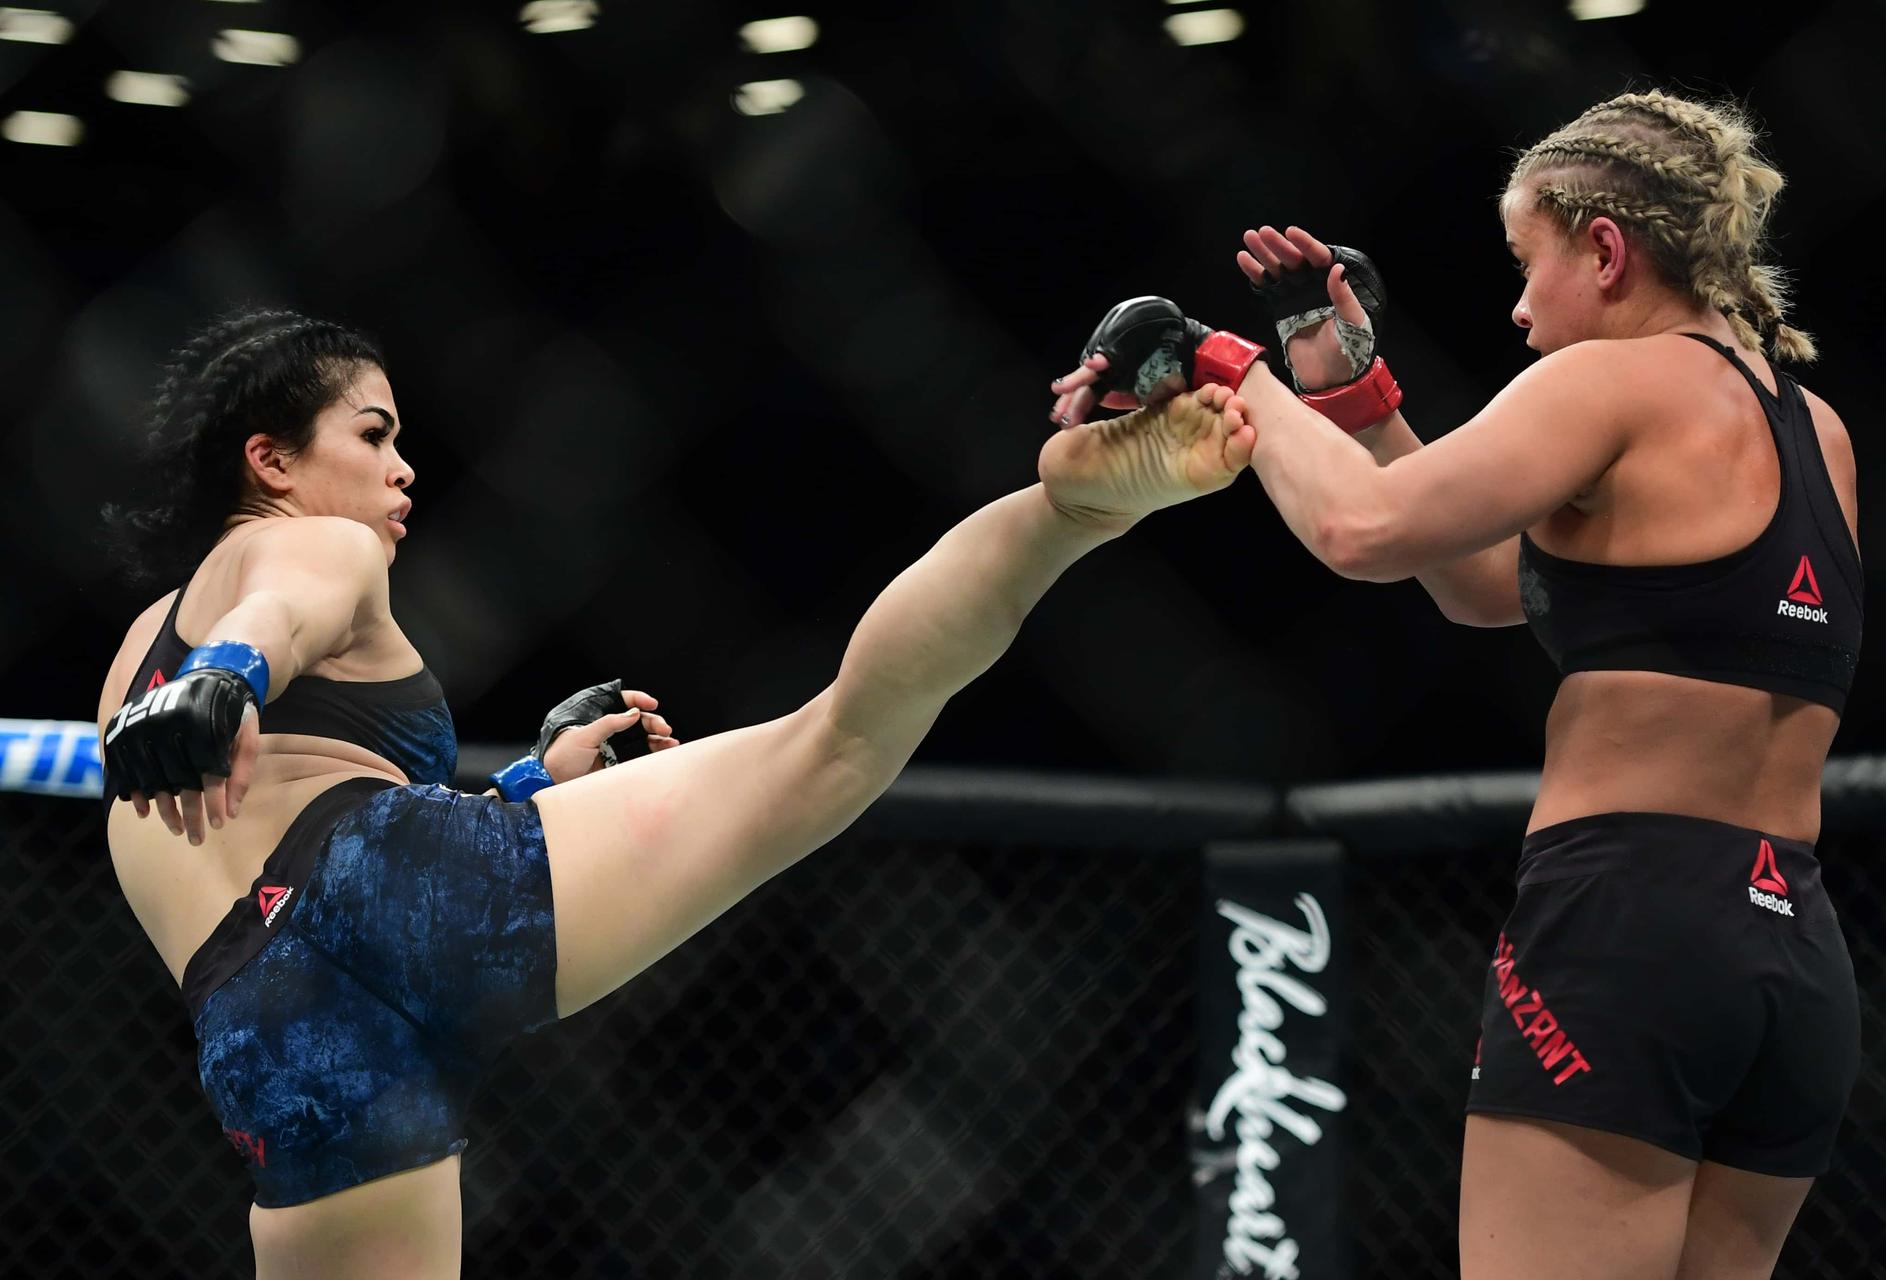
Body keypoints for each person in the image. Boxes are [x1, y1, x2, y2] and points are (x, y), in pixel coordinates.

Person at [97, 307, 1256, 1277]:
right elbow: (291, 609)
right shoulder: (308, 544)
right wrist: (232, 671)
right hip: (387, 887)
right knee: (833, 740)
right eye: (373, 433)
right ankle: (1069, 510)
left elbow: (291, 875)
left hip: (265, 1031)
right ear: (272, 462)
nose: (403, 467)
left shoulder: (128, 666)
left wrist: (525, 786)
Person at [1051, 90, 1860, 1280]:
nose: (1521, 311)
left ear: (1606, 250)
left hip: (1629, 925)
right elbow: (1487, 583)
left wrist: (1222, 365)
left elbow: (1359, 529)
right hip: (1792, 950)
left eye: (1530, 265)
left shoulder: (1611, 384)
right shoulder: (1813, 427)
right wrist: (1348, 389)